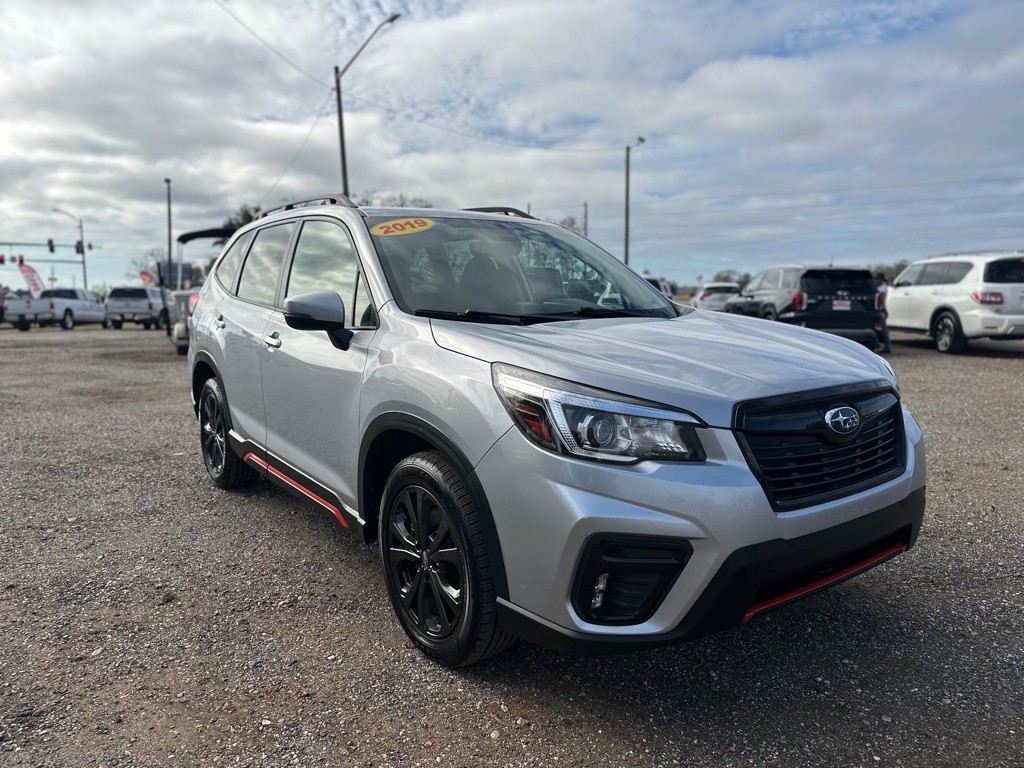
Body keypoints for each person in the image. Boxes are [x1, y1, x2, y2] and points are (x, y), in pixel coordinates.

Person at [875, 272, 891, 353]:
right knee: (881, 329)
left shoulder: (882, 288)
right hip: (881, 310)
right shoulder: (882, 287)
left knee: (884, 330)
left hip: (882, 310)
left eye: (877, 279)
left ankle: (887, 347)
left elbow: (879, 296)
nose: (876, 281)